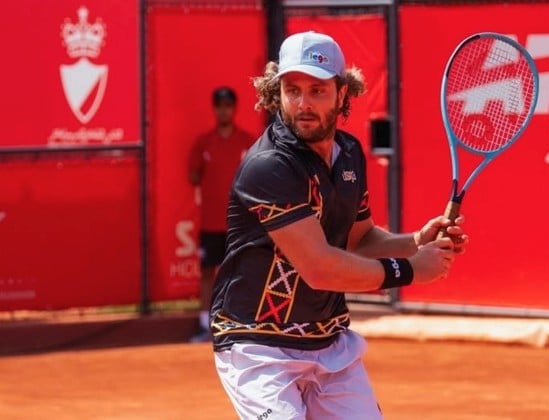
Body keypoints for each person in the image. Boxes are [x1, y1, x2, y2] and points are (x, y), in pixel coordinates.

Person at [210, 31, 469, 419]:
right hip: (259, 347)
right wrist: (412, 269)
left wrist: (415, 241)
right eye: (292, 90)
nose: (303, 104)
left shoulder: (348, 153)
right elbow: (319, 268)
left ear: (342, 93)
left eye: (317, 91)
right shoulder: (269, 166)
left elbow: (358, 241)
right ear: (277, 92)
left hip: (330, 345)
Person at [188, 86, 254, 343]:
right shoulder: (203, 142)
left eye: (228, 106)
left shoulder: (247, 142)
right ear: (214, 109)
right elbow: (193, 175)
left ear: (234, 109)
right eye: (219, 106)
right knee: (207, 273)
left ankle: (242, 324)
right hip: (210, 223)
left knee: (242, 274)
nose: (224, 111)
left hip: (239, 224)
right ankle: (205, 325)